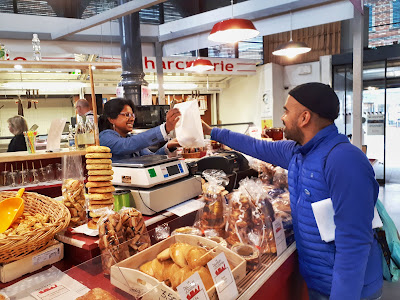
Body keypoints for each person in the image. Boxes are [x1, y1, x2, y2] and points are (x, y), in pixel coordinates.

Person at [202, 82, 383, 300]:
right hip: (319, 282)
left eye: (287, 111)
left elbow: (354, 242)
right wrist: (212, 132)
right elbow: (256, 146)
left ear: (304, 117)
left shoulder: (344, 160)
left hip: (350, 290)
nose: (282, 117)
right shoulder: (298, 152)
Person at [99, 98, 181, 162]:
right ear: (111, 119)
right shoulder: (105, 137)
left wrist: (169, 146)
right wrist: (164, 129)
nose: (132, 119)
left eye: (132, 115)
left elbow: (152, 158)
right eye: (127, 115)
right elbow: (126, 145)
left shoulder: (128, 137)